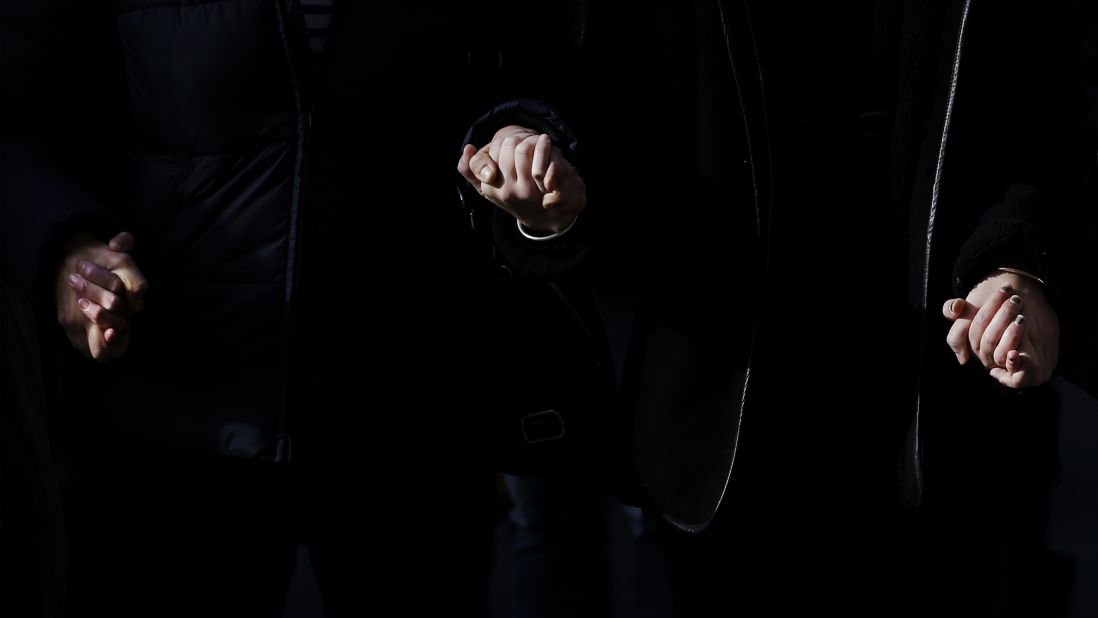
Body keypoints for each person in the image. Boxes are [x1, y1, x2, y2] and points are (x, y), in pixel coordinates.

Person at [460, 0, 1089, 615]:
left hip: (951, 434)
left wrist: (1020, 263)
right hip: (724, 437)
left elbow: (1050, 118)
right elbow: (584, 97)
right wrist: (543, 177)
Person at [1, 0, 588, 615]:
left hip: (412, 415)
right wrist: (68, 251)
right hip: (173, 418)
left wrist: (523, 140)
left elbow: (533, 70)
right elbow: (18, 116)